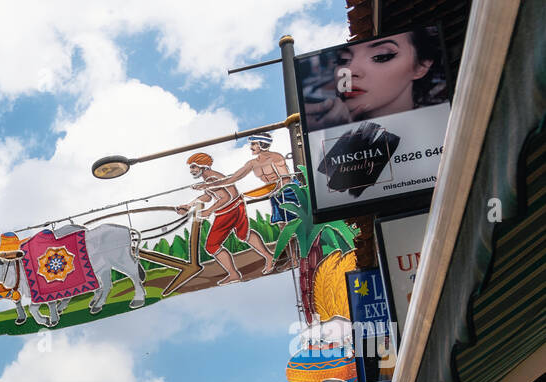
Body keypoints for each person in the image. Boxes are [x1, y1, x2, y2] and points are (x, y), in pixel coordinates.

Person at [303, 28, 445, 132]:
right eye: (342, 60)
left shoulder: (444, 126)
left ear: (421, 66)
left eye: (381, 56)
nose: (350, 71)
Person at [176, 153, 276, 285]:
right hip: (237, 206)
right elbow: (209, 196)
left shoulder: (211, 178)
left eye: (194, 167)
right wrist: (189, 205)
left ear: (202, 165)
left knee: (212, 246)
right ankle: (269, 257)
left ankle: (234, 274)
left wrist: (209, 211)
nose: (192, 170)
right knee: (244, 234)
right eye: (191, 168)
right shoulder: (210, 177)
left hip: (227, 211)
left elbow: (225, 197)